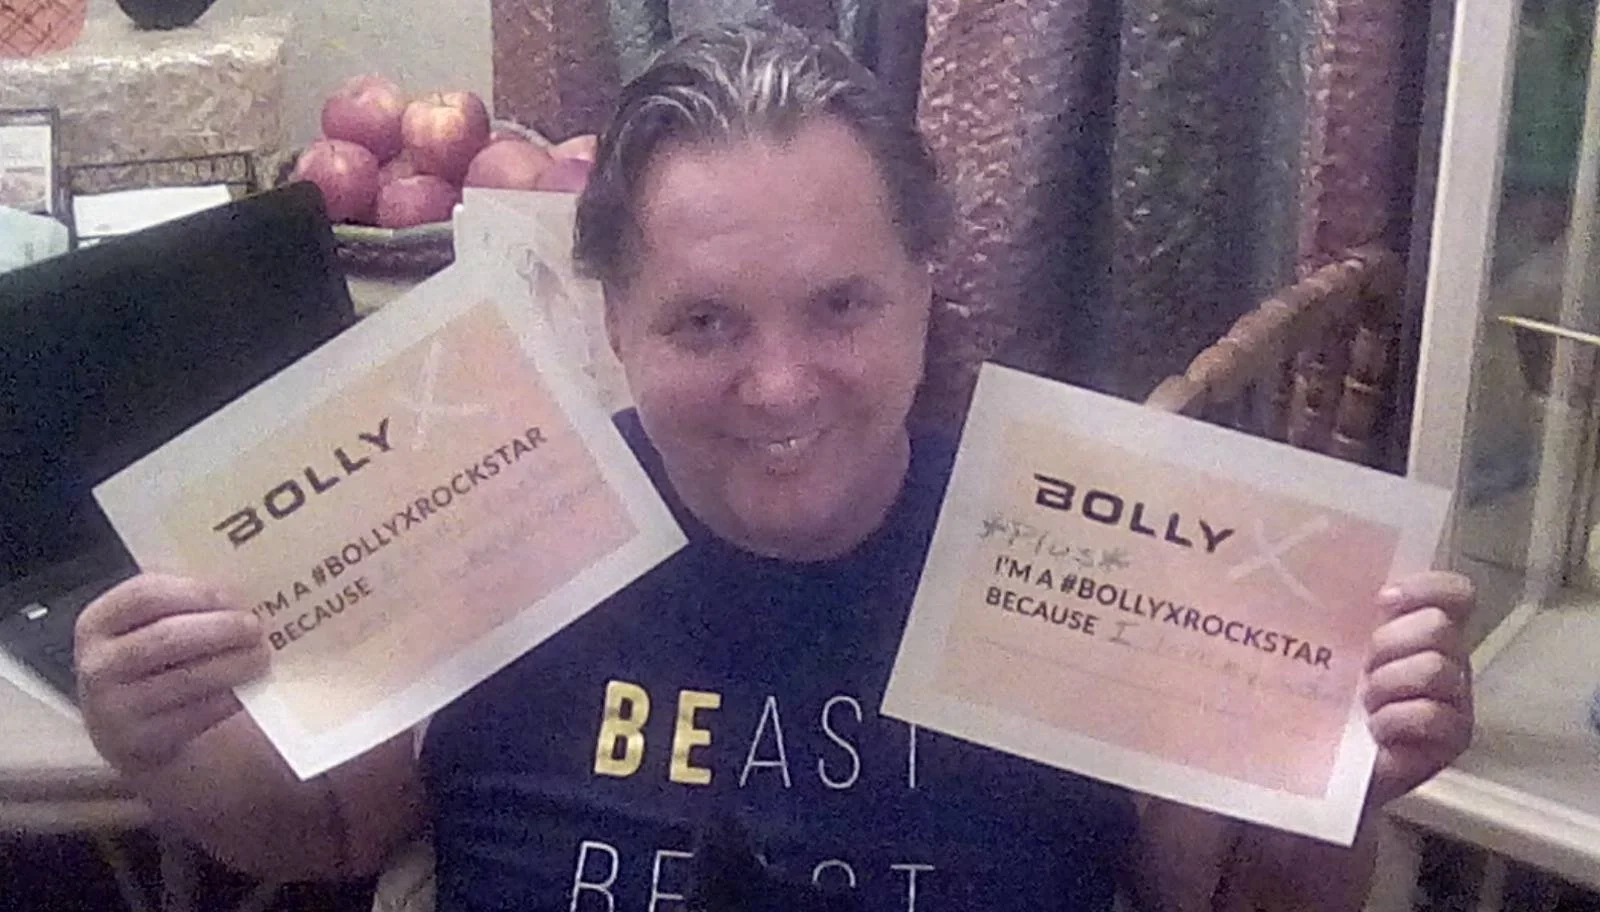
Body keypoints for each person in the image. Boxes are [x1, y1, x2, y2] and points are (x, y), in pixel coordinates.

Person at [74, 19, 1476, 911]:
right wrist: (164, 743)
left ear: (923, 291)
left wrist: (1343, 768)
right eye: (703, 322)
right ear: (613, 321)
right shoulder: (497, 513)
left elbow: (1233, 899)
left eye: (841, 305)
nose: (782, 384)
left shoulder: (1086, 555)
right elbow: (322, 833)